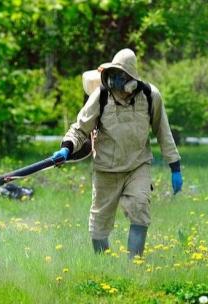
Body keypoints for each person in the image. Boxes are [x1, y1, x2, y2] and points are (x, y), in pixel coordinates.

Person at [51, 48, 182, 259]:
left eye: (120, 75)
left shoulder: (150, 96)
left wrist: (174, 166)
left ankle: (134, 264)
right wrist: (66, 148)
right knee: (99, 224)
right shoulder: (101, 96)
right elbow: (80, 128)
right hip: (106, 168)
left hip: (138, 165)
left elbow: (163, 132)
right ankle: (104, 265)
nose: (115, 81)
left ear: (131, 77)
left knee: (140, 209)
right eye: (112, 74)